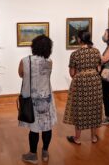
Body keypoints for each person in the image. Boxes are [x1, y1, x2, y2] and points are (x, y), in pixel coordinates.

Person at [18, 35, 57, 164]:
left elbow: (21, 74)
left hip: (31, 98)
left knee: (34, 128)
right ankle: (45, 152)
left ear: (33, 46)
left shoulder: (25, 60)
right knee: (47, 127)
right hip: (46, 97)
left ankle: (33, 155)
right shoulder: (49, 62)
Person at [63, 30, 102, 144]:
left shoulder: (75, 54)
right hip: (95, 81)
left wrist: (81, 75)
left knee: (79, 108)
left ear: (80, 39)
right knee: (94, 107)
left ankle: (77, 138)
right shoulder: (96, 52)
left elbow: (72, 73)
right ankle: (94, 137)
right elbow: (99, 69)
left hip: (80, 82)